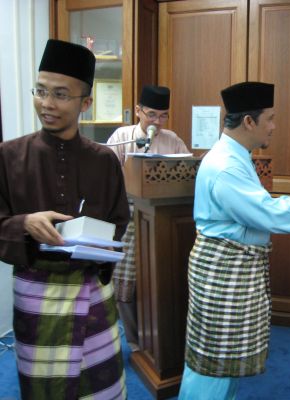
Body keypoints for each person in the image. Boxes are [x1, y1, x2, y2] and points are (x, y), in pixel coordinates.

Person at [177, 81, 290, 399]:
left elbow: (257, 204)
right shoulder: (226, 165)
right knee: (214, 366)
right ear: (249, 121)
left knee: (222, 362)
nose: (274, 126)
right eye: (270, 118)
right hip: (224, 271)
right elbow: (265, 212)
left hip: (230, 267)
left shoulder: (234, 155)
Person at [0, 39, 130, 399]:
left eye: (60, 94)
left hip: (91, 290)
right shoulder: (9, 156)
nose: (47, 103)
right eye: (40, 91)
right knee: (45, 389)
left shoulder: (104, 160)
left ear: (85, 103)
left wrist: (95, 242)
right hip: (35, 292)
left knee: (102, 385)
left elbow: (120, 221)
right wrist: (25, 223)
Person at [107, 85, 189, 352]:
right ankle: (135, 341)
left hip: (164, 217)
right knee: (126, 284)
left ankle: (163, 339)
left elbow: (187, 173)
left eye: (163, 115)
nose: (157, 121)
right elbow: (106, 177)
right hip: (130, 216)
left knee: (162, 280)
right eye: (151, 114)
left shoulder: (173, 140)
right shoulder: (122, 137)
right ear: (138, 111)